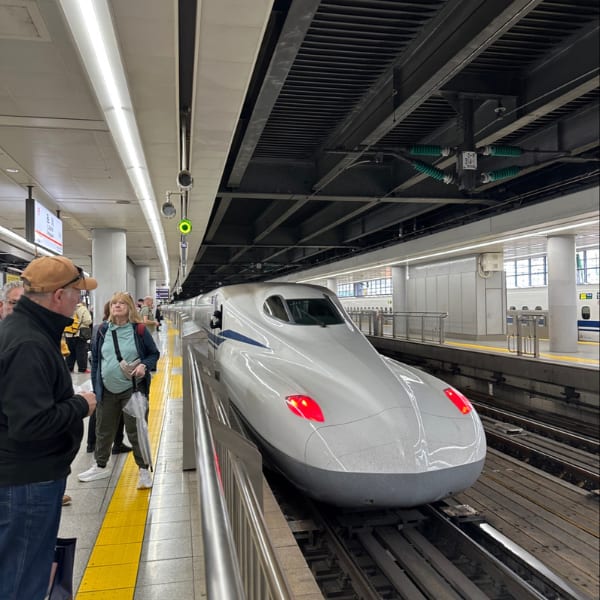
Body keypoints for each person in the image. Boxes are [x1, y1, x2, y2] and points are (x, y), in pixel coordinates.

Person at [0, 255, 97, 600]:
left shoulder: (26, 332)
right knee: (23, 578)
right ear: (59, 295)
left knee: (22, 569)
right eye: (77, 294)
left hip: (26, 478)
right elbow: (31, 424)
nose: (79, 301)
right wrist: (80, 405)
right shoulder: (28, 343)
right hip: (28, 482)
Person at [78, 292, 159, 489]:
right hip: (107, 390)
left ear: (130, 307)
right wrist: (96, 385)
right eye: (114, 303)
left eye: (122, 303)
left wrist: (144, 366)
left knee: (136, 430)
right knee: (103, 429)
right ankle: (100, 465)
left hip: (133, 390)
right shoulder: (101, 330)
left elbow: (153, 353)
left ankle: (143, 470)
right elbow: (96, 360)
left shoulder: (138, 330)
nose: (117, 306)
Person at [86, 301, 131, 455]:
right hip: (104, 378)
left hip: (113, 379)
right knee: (101, 411)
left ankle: (113, 443)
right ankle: (94, 444)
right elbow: (97, 356)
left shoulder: (101, 327)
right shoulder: (103, 329)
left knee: (115, 411)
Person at [64, 301, 93, 373]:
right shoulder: (82, 309)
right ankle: (82, 368)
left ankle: (69, 368)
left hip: (68, 334)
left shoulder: (67, 307)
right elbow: (88, 321)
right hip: (79, 334)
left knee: (70, 352)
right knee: (81, 352)